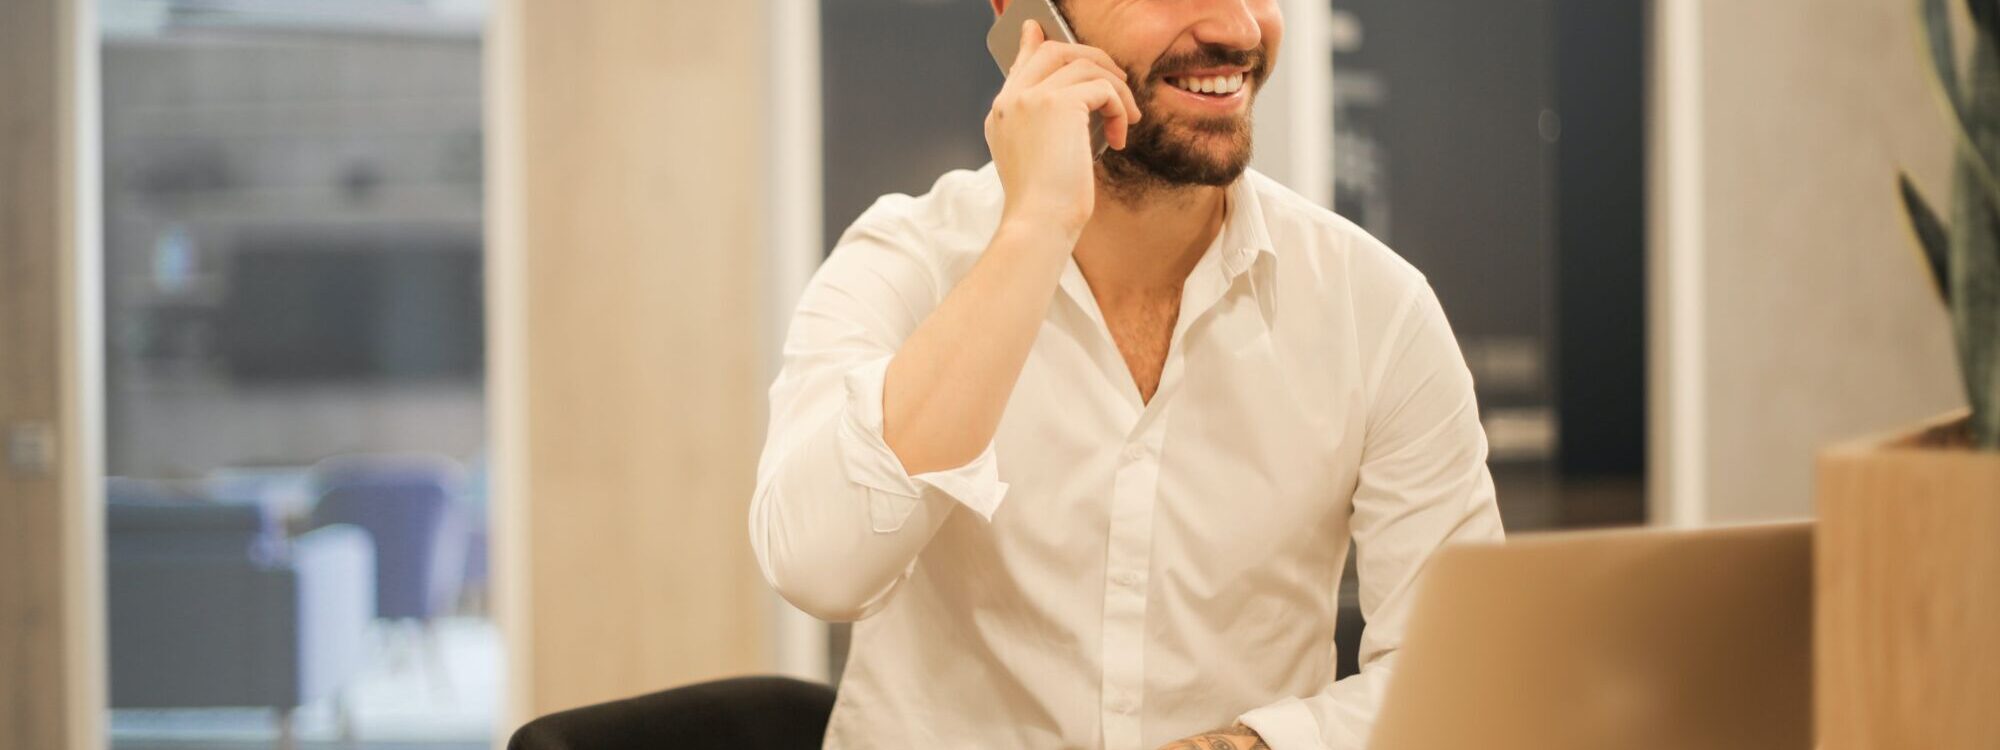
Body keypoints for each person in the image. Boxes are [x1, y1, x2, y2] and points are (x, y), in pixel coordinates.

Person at [749, 0, 1503, 747]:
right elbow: (819, 569)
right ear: (1027, 14)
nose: (1237, 28)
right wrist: (1036, 225)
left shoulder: (1376, 308)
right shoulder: (904, 261)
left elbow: (1463, 678)